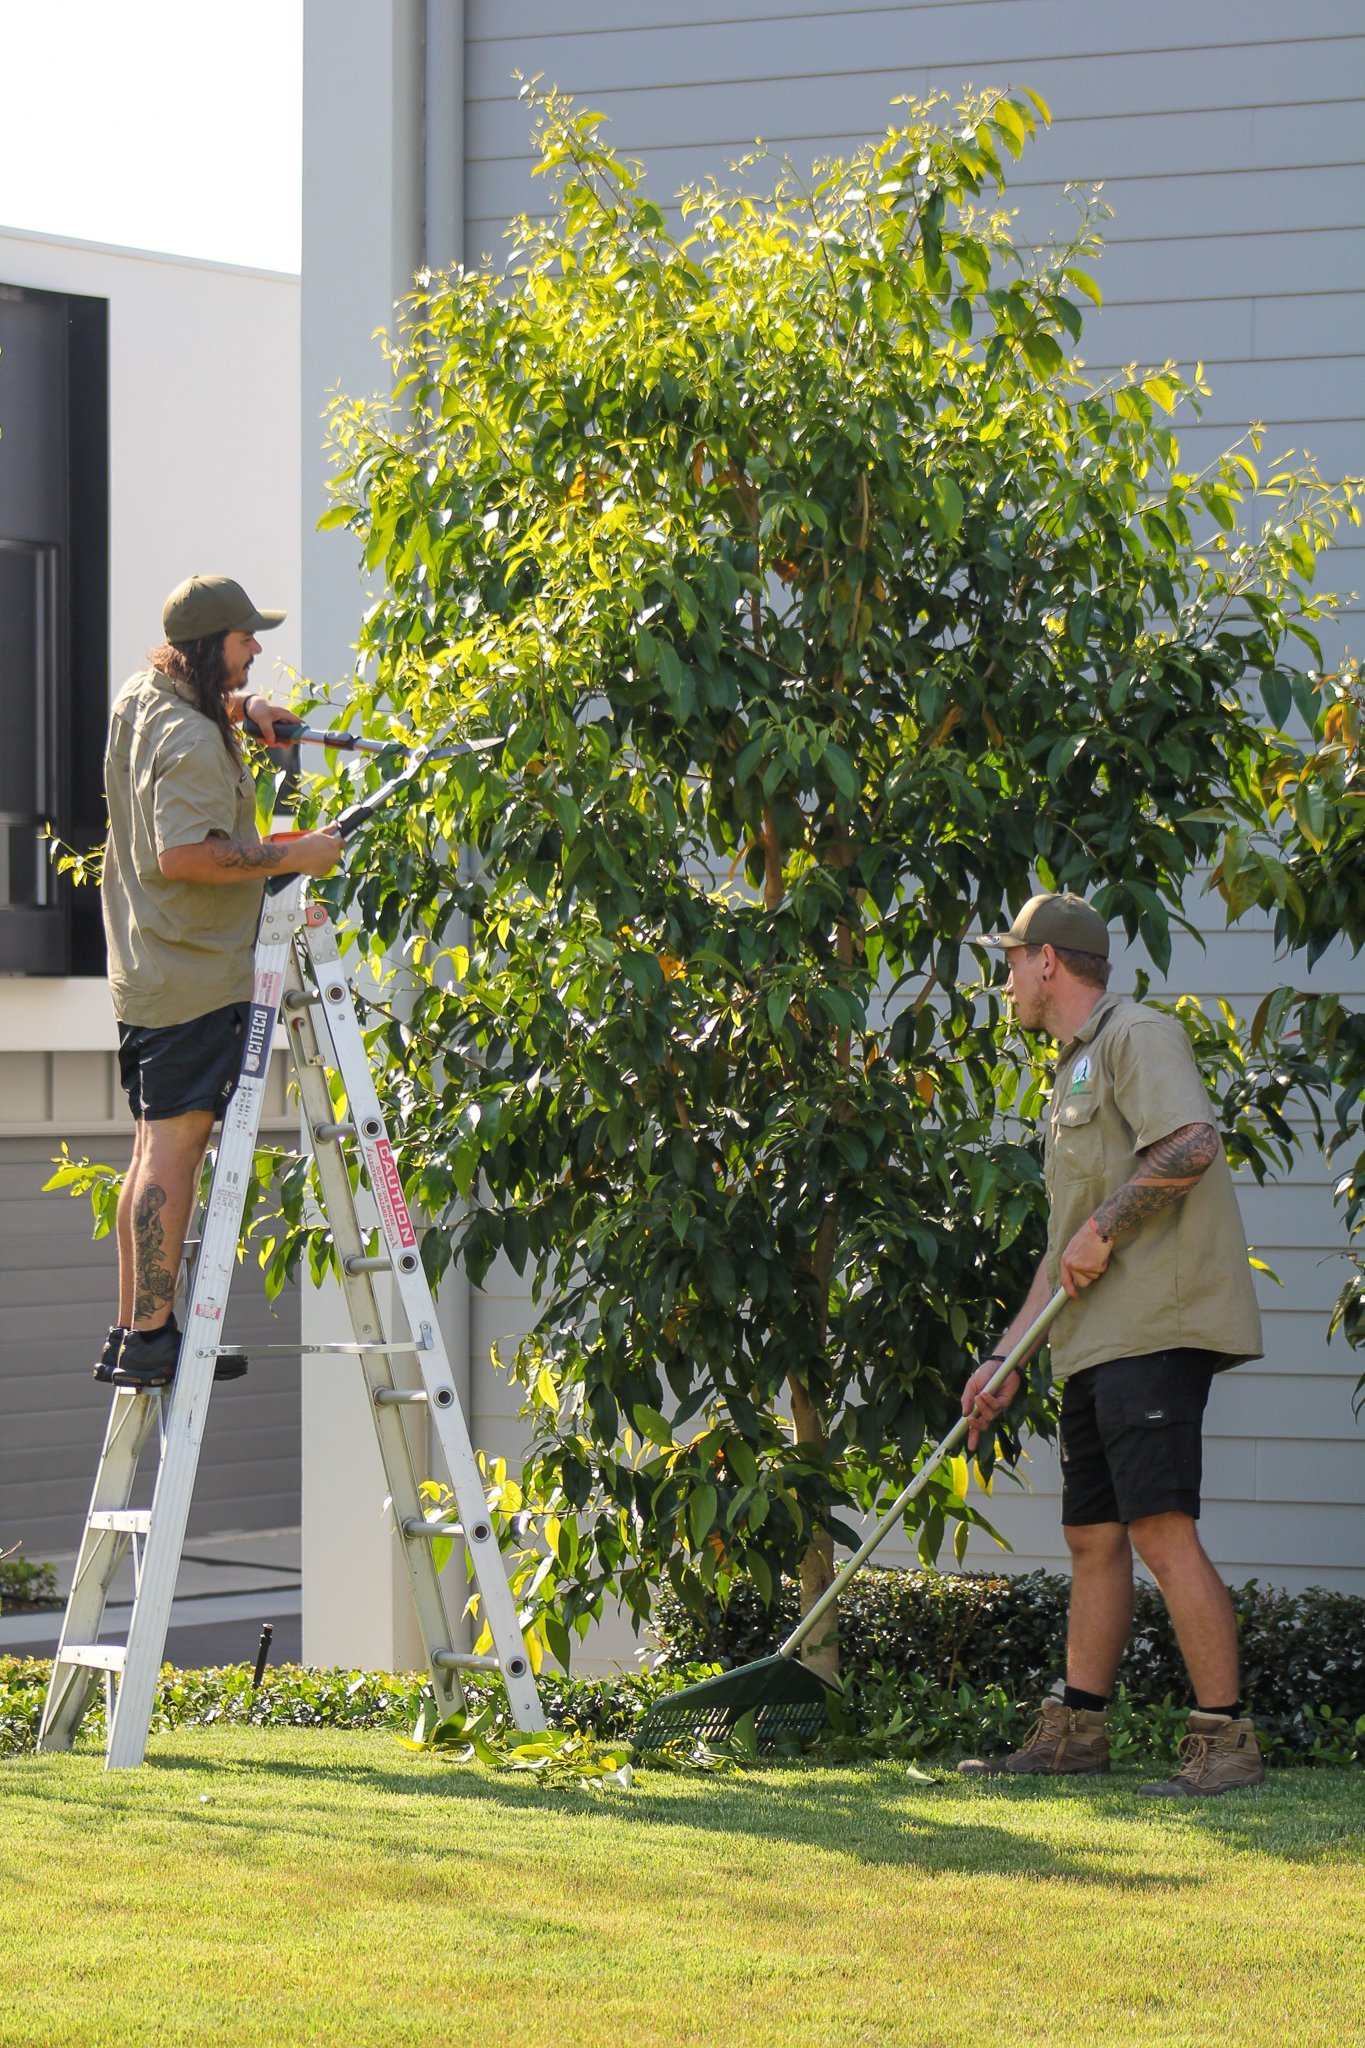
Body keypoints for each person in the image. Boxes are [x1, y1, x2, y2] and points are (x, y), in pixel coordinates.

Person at [956, 891, 1266, 1798]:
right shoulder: (1071, 1071)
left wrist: (1107, 1226)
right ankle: (1076, 1733)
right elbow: (1066, 1246)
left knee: (1160, 1530)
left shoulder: (1137, 1037)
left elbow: (1191, 1143)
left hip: (1154, 1329)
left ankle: (1224, 1741)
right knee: (1091, 1536)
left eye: (1012, 960)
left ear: (1048, 961)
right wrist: (1004, 1358)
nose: (1005, 977)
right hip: (1092, 1340)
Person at [97, 573, 343, 1391]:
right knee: (177, 1149)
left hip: (149, 965)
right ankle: (155, 1335)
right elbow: (184, 856)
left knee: (150, 1150)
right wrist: (293, 854)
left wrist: (247, 710)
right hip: (195, 973)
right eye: (245, 641)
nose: (257, 649)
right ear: (208, 648)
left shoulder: (146, 694)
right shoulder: (195, 742)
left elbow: (189, 719)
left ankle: (136, 1328)